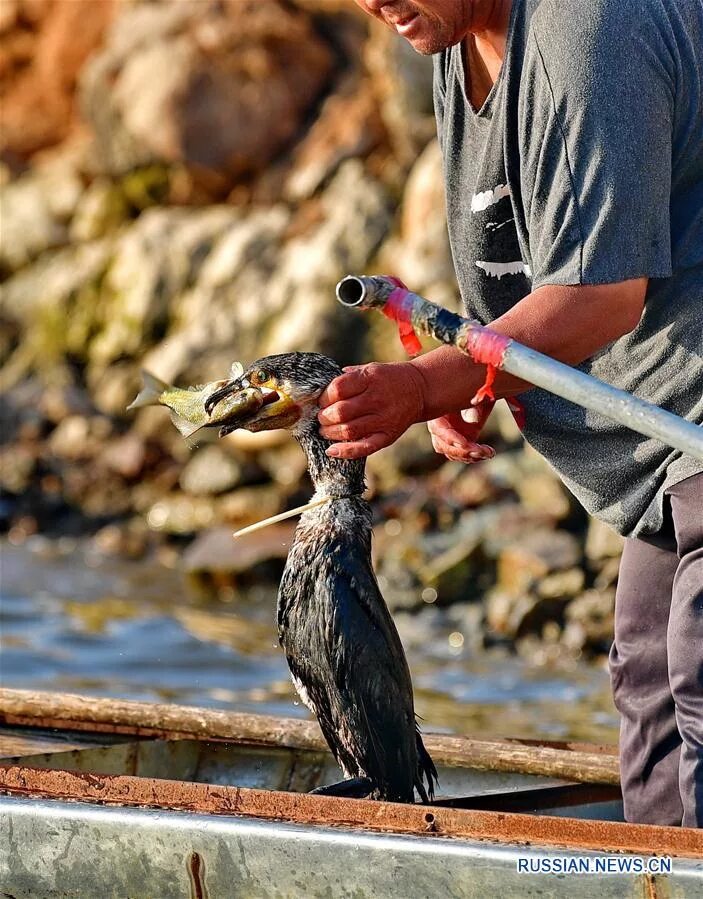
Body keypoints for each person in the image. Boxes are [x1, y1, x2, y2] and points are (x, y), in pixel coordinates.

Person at [317, 0, 703, 827]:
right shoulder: (459, 41)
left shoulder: (592, 30)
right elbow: (518, 241)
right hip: (669, 436)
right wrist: (479, 380)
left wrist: (429, 384)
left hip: (690, 421)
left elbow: (600, 296)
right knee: (650, 688)